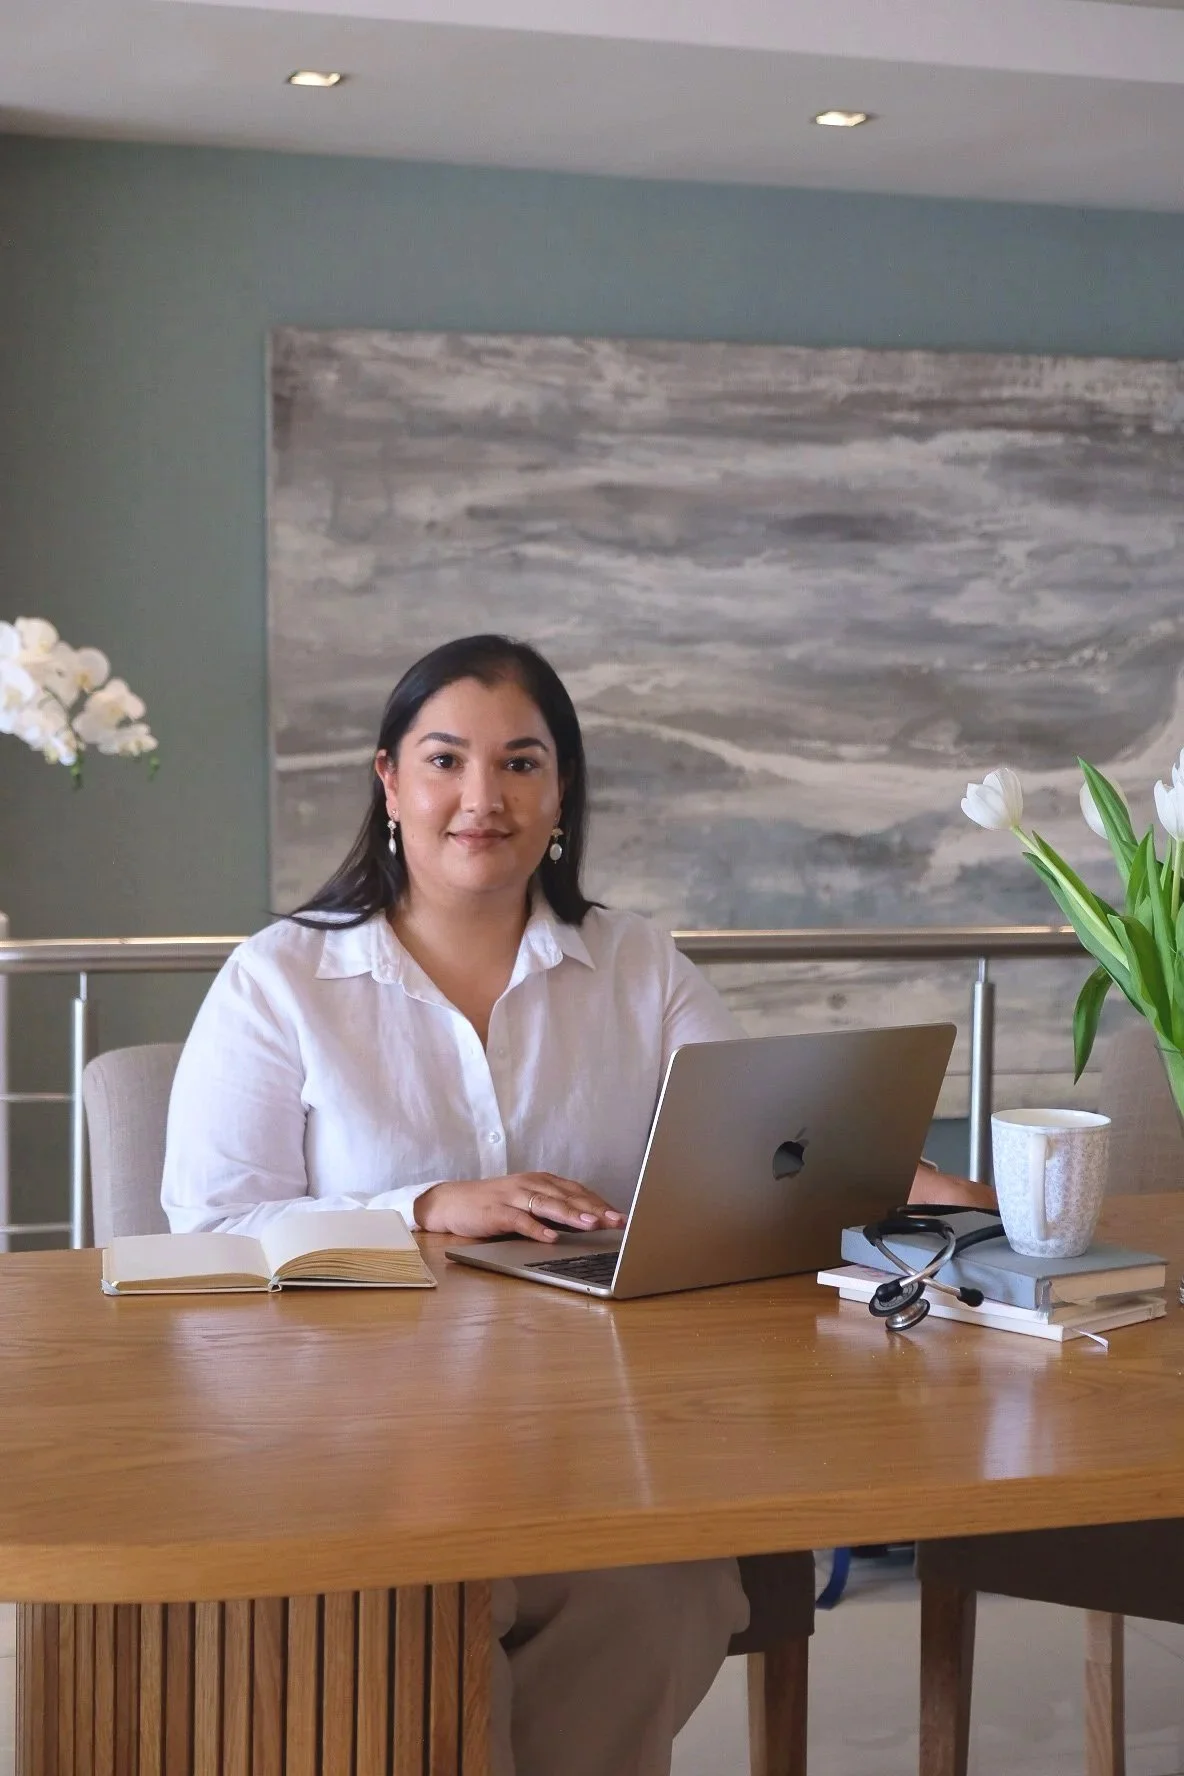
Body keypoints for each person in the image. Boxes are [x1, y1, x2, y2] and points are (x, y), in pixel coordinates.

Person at [162, 631, 982, 1773]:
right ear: (388, 782)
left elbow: (775, 1137)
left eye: (520, 763)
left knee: (668, 1596)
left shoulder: (636, 966)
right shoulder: (277, 980)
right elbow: (204, 1234)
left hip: (593, 1448)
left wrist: (931, 1186)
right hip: (349, 1450)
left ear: (561, 796)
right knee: (407, 1626)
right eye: (445, 760)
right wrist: (425, 1205)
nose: (480, 797)